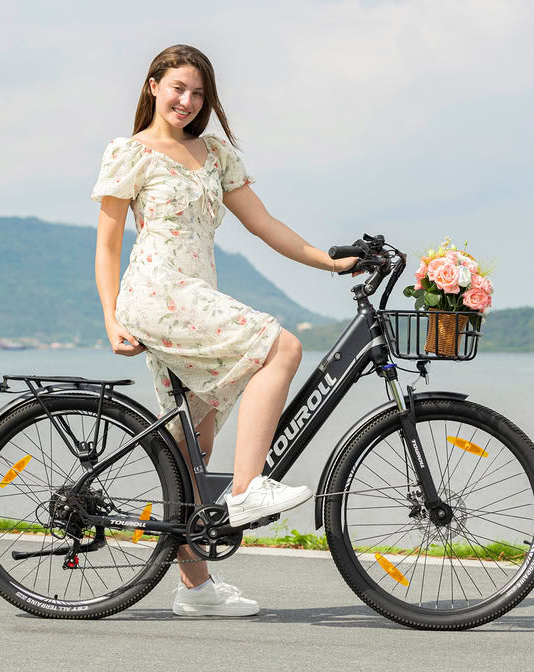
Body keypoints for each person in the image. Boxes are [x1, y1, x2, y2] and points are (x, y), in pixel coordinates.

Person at [91, 44, 358, 617]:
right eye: (178, 88)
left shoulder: (214, 153)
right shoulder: (130, 152)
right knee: (282, 346)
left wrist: (329, 262)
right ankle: (246, 489)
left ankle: (196, 589)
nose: (187, 101)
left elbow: (263, 224)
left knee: (191, 447)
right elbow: (108, 244)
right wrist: (111, 318)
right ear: (153, 86)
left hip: (193, 294)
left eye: (198, 93)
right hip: (157, 293)